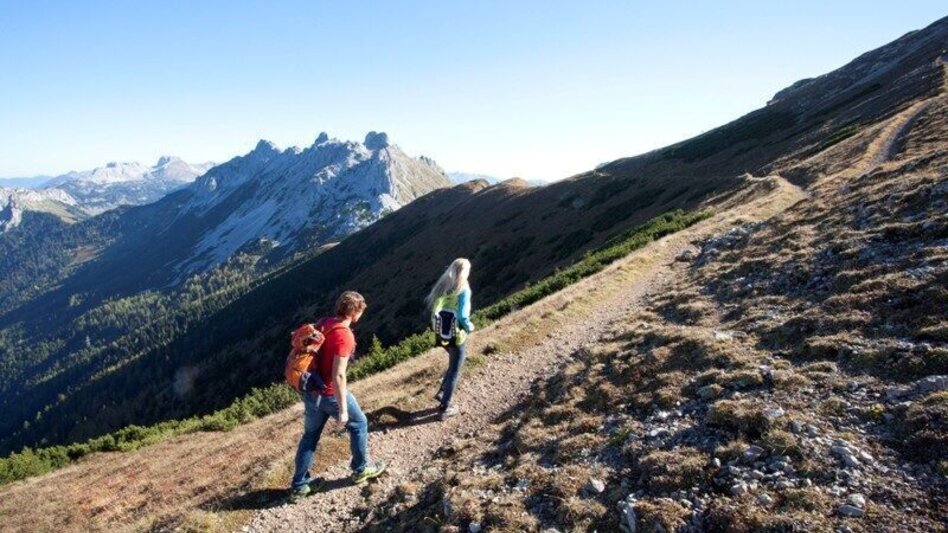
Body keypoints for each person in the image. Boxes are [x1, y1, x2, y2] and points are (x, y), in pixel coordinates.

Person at [290, 291, 385, 501]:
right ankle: (361, 469)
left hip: (311, 392)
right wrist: (342, 409)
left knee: (310, 437)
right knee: (359, 423)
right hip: (330, 393)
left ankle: (299, 485)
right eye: (361, 311)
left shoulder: (324, 323)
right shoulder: (345, 335)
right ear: (354, 312)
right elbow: (338, 374)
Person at [427, 258, 475, 420]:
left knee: (453, 362)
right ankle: (445, 407)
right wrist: (470, 327)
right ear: (465, 272)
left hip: (441, 334)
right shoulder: (464, 289)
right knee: (455, 369)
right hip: (456, 336)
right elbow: (462, 316)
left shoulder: (443, 286)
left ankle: (442, 392)